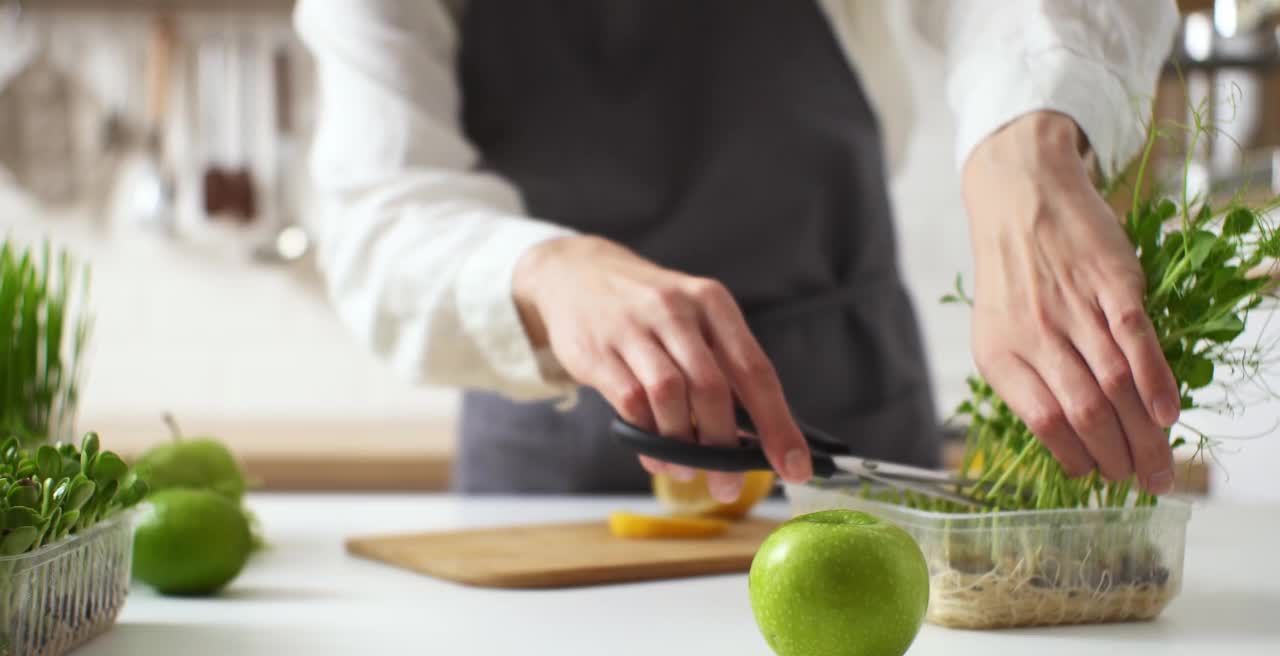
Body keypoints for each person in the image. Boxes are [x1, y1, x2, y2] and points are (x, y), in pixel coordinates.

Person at [293, 0, 1183, 502]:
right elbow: (377, 213)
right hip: (551, 455)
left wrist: (1023, 149)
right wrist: (551, 274)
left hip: (849, 405)